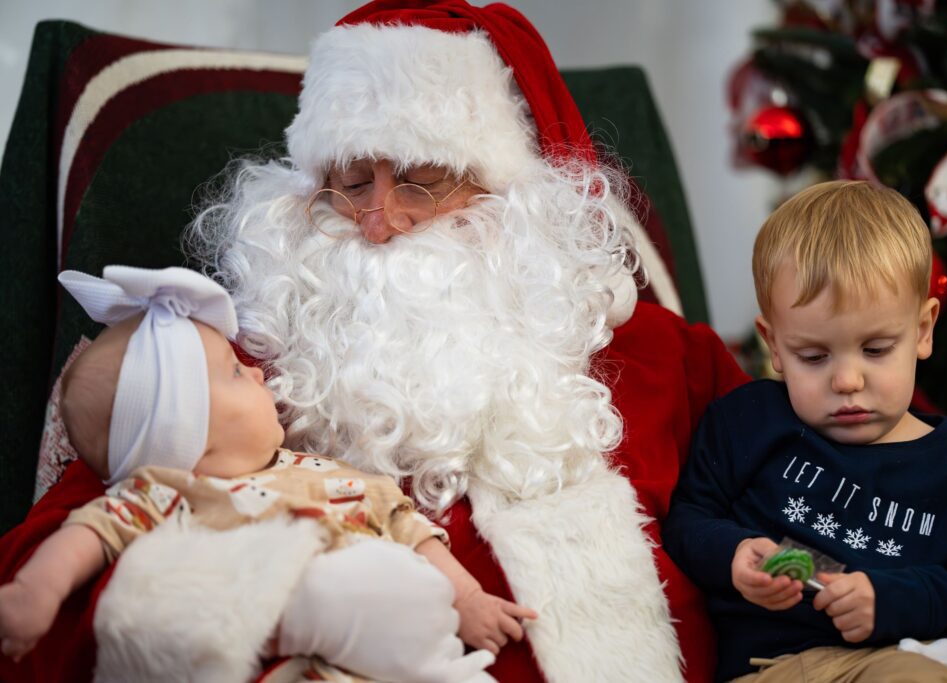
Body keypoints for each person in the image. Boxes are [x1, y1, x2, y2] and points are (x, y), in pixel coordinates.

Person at [0, 2, 749, 682]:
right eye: (353, 181)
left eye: (421, 180)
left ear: (507, 193)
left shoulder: (669, 362)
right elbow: (50, 565)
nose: (377, 221)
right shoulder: (232, 368)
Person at [0, 265, 523, 682]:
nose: (255, 370)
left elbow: (408, 531)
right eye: (232, 372)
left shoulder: (329, 474)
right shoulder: (169, 491)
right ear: (191, 435)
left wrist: (469, 598)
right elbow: (90, 533)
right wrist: (36, 593)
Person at [663, 180, 947, 682]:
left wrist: (897, 601)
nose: (847, 381)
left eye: (876, 350)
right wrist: (734, 554)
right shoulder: (749, 422)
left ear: (922, 331)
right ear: (774, 344)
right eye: (813, 357)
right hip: (767, 670)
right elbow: (685, 520)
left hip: (900, 659)